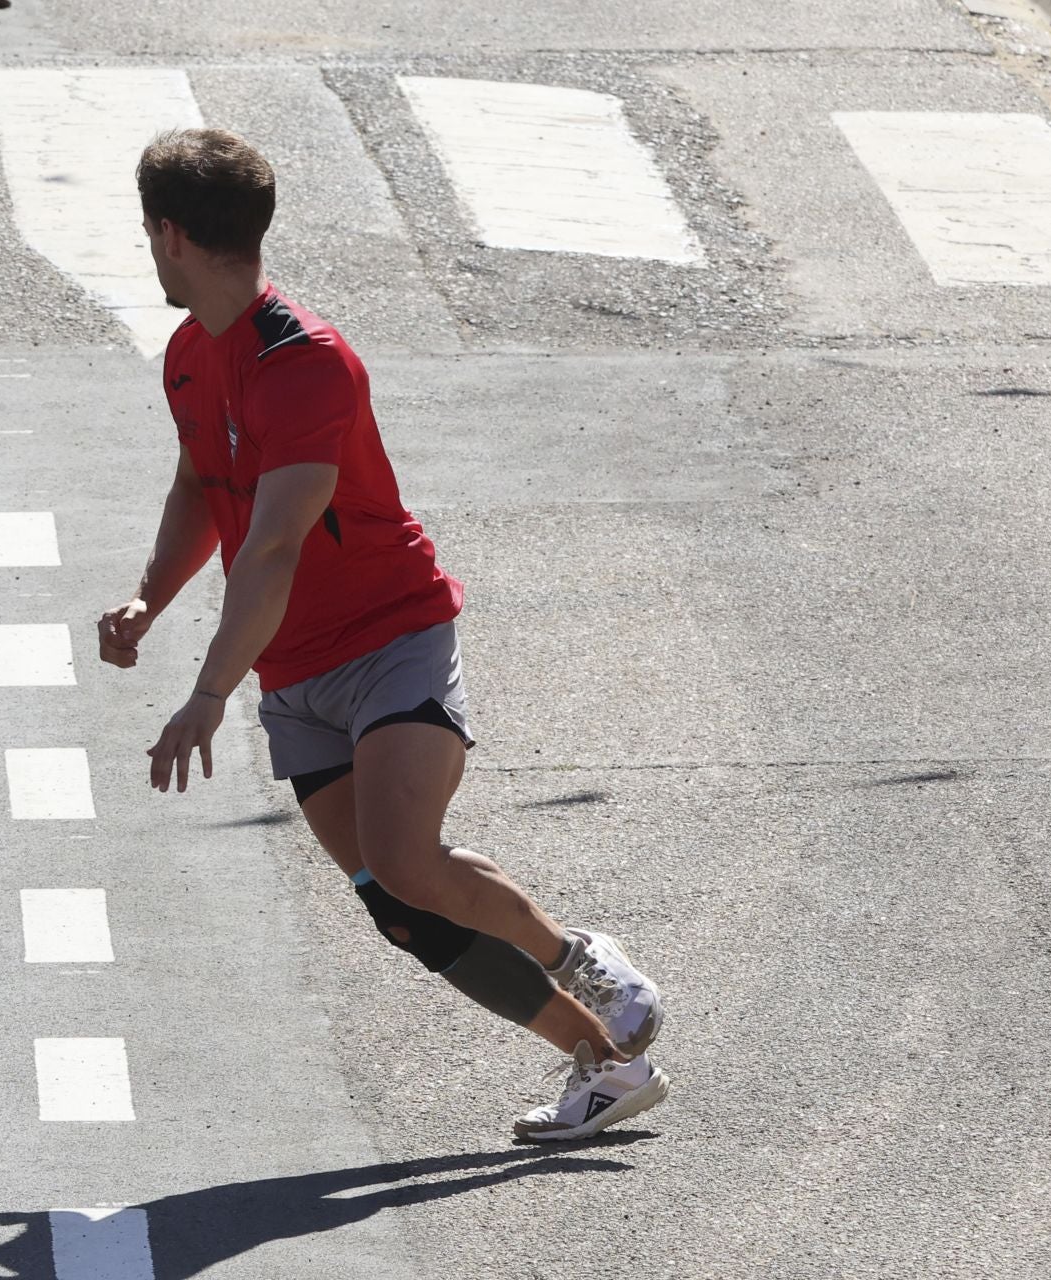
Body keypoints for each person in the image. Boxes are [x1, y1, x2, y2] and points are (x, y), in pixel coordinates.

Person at [96, 127, 670, 1141]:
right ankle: (602, 1065)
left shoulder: (304, 366)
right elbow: (201, 482)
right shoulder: (190, 360)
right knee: (398, 904)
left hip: (389, 636)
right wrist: (152, 597)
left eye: (146, 232)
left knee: (407, 856)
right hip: (294, 667)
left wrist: (206, 691)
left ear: (168, 234)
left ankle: (576, 951)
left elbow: (272, 548)